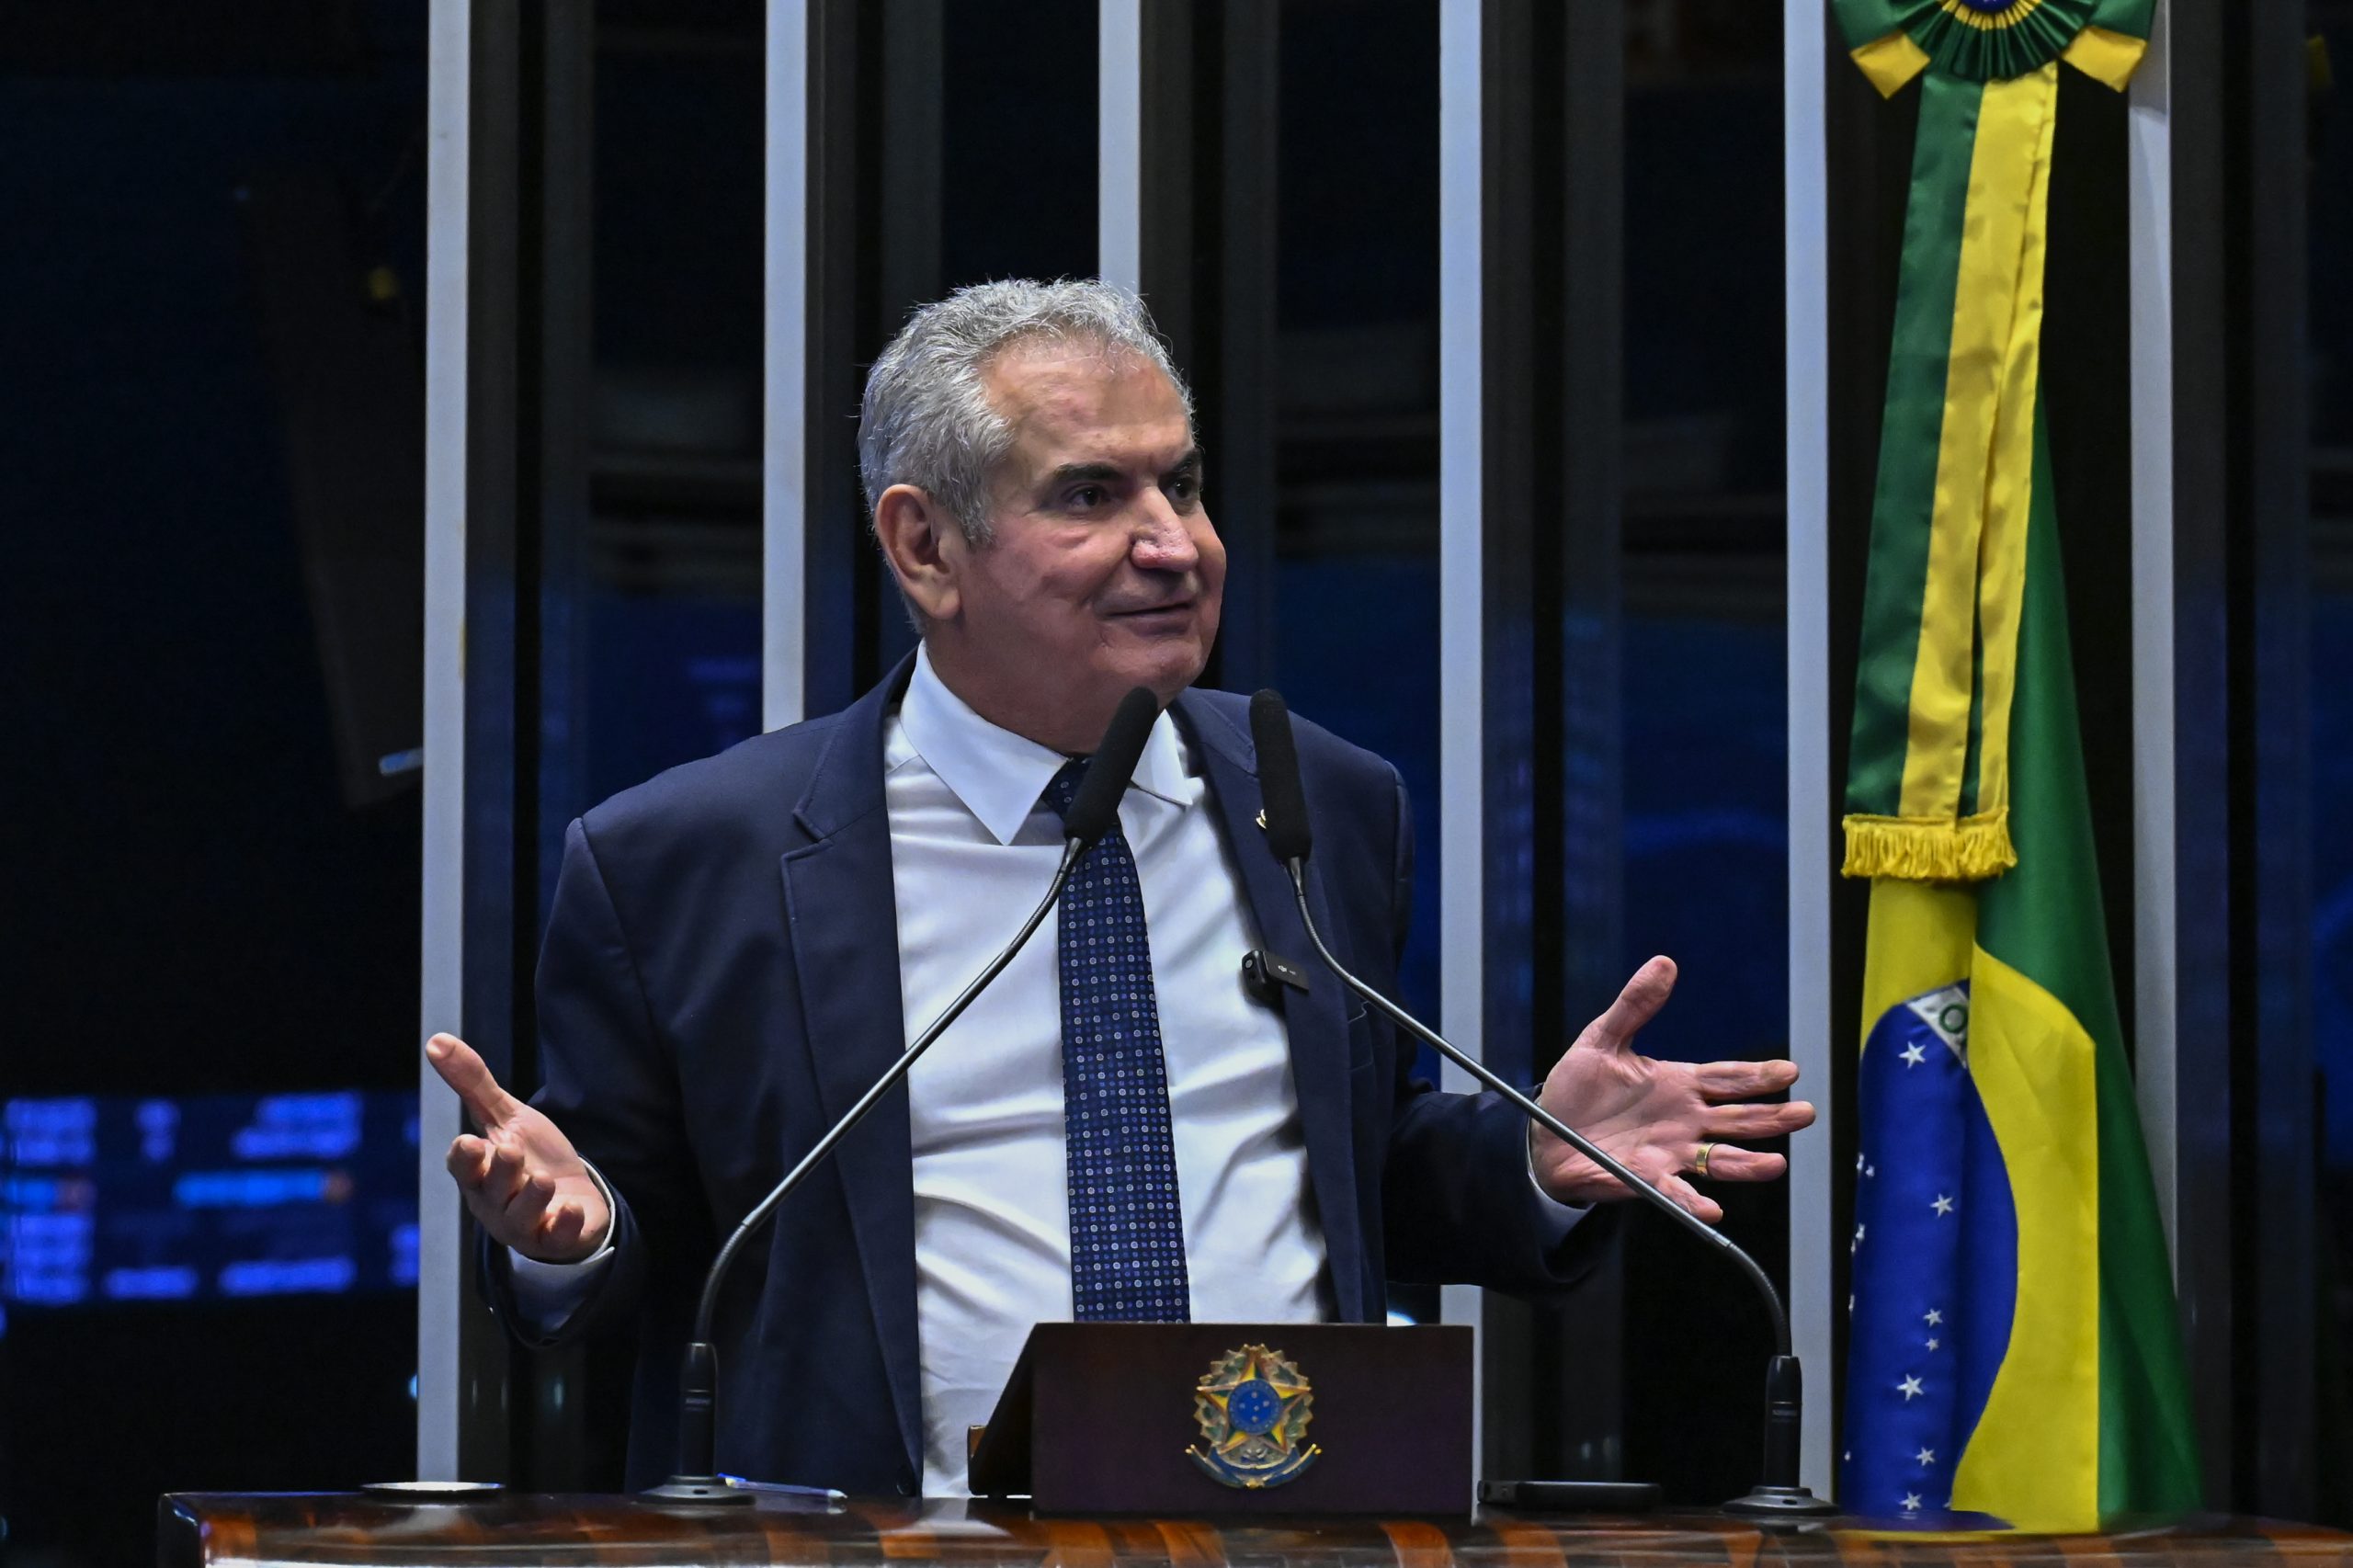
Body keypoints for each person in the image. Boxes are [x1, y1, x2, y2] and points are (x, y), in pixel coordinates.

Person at [425, 278, 1815, 1497]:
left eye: (1183, 485)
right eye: (1091, 496)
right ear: (924, 548)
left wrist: (1528, 1157)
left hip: (1283, 1530)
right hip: (887, 1551)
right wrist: (568, 1235)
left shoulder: (1321, 799)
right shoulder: (686, 859)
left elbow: (1352, 1164)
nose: (1175, 544)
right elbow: (622, 1238)